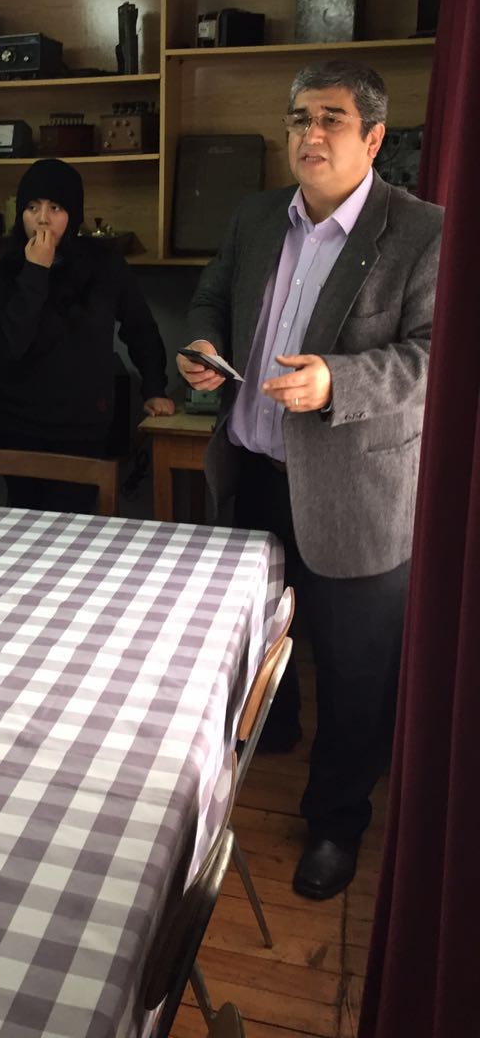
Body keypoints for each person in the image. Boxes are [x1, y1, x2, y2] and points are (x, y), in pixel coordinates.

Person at [178, 60, 443, 900]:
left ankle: (336, 822)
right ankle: (277, 735)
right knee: (253, 641)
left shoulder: (423, 231)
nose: (311, 134)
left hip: (354, 491)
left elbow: (435, 355)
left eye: (331, 118)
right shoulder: (257, 216)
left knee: (356, 671)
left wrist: (338, 382)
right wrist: (200, 347)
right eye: (299, 118)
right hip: (252, 474)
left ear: (374, 137)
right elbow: (210, 298)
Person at [0, 158, 174, 513]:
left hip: (84, 425)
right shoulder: (3, 273)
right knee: (23, 528)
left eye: (55, 208)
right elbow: (11, 344)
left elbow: (140, 328)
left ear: (73, 214)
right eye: (32, 207)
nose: (42, 219)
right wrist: (35, 271)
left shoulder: (103, 264)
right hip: (19, 426)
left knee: (76, 526)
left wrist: (154, 388)